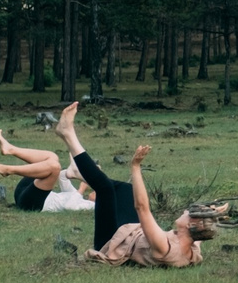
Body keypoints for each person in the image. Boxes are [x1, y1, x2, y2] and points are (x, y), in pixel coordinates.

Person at [41, 108, 218, 267]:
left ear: (192, 224)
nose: (185, 211)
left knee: (105, 189)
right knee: (125, 189)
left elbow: (142, 208)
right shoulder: (192, 248)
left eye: (188, 214)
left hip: (111, 243)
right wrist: (214, 213)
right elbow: (203, 232)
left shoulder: (164, 248)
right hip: (130, 233)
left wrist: (135, 166)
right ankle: (79, 172)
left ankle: (69, 134)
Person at [0, 128, 95, 214]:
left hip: (32, 204)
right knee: (52, 157)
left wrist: (82, 187)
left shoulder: (92, 206)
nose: (96, 190)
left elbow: (70, 207)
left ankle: (8, 170)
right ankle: (10, 149)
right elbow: (63, 176)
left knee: (54, 167)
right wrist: (79, 173)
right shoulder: (77, 197)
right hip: (25, 192)